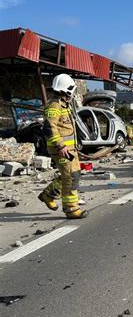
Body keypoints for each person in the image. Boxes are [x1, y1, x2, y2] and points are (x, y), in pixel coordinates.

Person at [38, 73, 88, 219]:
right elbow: (49, 128)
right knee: (69, 178)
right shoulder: (54, 106)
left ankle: (48, 194)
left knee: (74, 175)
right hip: (60, 149)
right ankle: (71, 209)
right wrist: (60, 147)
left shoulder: (63, 104)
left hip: (69, 149)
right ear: (67, 89)